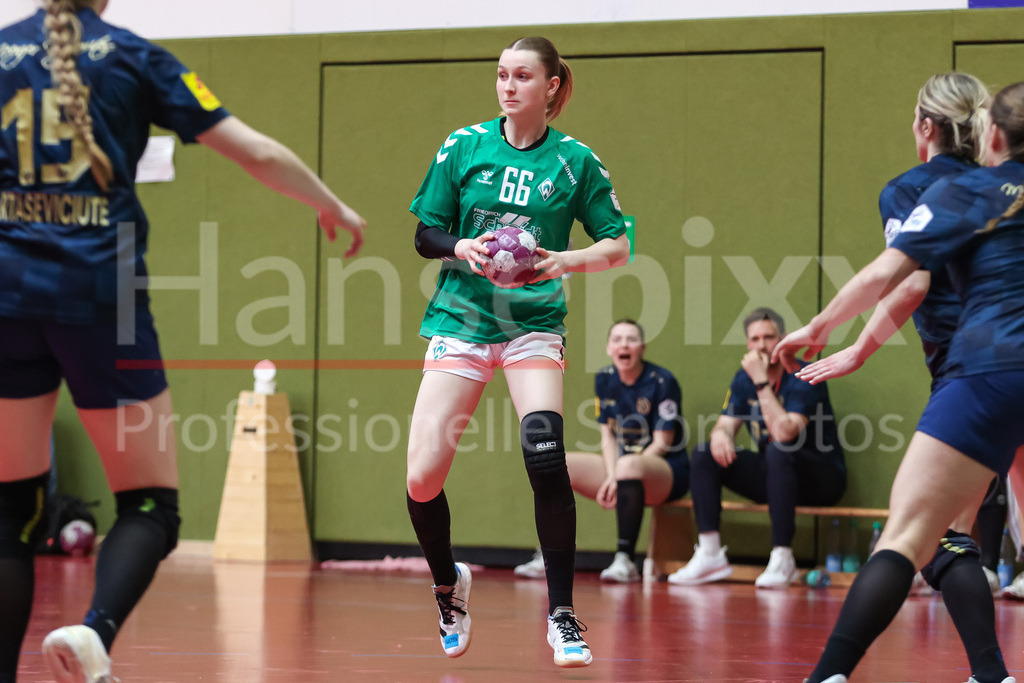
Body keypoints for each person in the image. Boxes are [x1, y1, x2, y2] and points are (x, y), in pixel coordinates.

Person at [0, 2, 365, 682]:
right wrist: (329, 204)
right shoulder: (134, 56)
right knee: (149, 504)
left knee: (9, 506)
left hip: (7, 292)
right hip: (99, 296)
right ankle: (95, 629)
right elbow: (253, 150)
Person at [774, 81, 1024, 683]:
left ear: (992, 136)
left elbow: (902, 278)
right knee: (954, 535)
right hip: (986, 378)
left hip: (987, 373)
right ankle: (990, 672)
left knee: (910, 534)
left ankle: (827, 675)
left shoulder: (964, 189)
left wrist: (829, 331)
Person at [406, 36, 629, 668]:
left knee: (544, 449)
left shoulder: (576, 162)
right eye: (502, 75)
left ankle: (562, 614)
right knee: (422, 478)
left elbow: (617, 243)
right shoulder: (464, 146)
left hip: (533, 324)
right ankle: (450, 587)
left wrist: (565, 259)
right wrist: (461, 248)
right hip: (462, 319)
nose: (508, 85)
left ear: (551, 87)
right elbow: (424, 233)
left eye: (522, 76)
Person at [666, 307, 846, 589]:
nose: (761, 345)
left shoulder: (804, 374)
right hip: (777, 477)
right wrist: (721, 435)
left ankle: (783, 557)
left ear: (784, 339)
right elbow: (724, 425)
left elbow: (784, 432)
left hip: (821, 479)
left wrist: (761, 381)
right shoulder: (743, 378)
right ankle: (710, 553)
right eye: (754, 339)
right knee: (704, 453)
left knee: (778, 449)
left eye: (769, 337)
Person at [514, 319, 688, 583]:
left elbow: (663, 442)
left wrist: (620, 471)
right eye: (617, 339)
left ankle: (625, 560)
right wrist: (612, 474)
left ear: (642, 347)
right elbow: (608, 438)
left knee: (629, 464)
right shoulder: (605, 379)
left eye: (631, 339)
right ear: (608, 348)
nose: (624, 345)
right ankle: (549, 557)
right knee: (557, 464)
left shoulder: (662, 381)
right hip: (622, 468)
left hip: (665, 471)